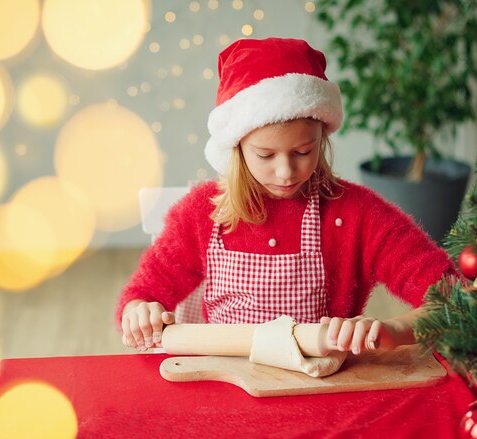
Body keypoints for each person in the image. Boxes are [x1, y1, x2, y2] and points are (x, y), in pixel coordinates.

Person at [117, 37, 456, 356]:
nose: (286, 172)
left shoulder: (356, 213)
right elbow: (139, 298)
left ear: (321, 139)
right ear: (236, 148)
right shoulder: (199, 213)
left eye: (303, 151)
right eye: (265, 155)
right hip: (224, 386)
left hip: (321, 390)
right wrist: (141, 312)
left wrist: (393, 330)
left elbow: (454, 300)